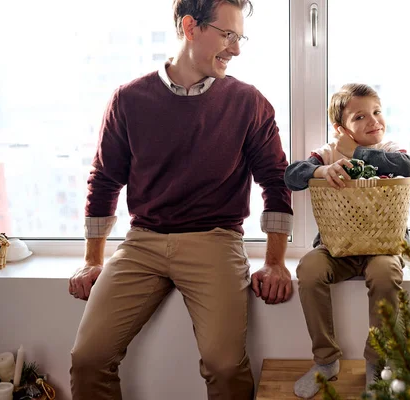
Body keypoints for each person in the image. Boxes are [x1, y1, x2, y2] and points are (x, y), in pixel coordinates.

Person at [67, 1, 294, 399]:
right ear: (190, 27)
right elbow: (104, 181)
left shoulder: (248, 103)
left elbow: (276, 182)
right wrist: (92, 259)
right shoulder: (129, 99)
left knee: (225, 366)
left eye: (239, 37)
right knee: (88, 359)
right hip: (142, 243)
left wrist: (274, 262)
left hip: (216, 241)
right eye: (227, 35)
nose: (236, 49)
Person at [284, 83, 410, 398]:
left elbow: (405, 167)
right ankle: (326, 361)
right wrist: (322, 170)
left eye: (377, 112)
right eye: (360, 117)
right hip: (336, 247)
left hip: (383, 247)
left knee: (386, 275)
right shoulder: (327, 153)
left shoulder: (392, 150)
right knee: (310, 270)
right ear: (341, 128)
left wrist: (356, 152)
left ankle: (377, 363)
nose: (374, 122)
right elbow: (291, 175)